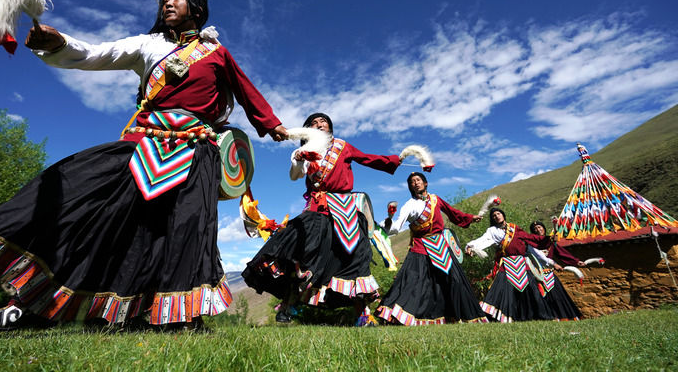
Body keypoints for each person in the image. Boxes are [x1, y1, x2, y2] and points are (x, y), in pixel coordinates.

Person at [0, 0, 289, 330]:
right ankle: (34, 304)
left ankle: (178, 318)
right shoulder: (148, 45)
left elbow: (245, 89)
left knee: (186, 231)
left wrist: (273, 124)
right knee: (91, 209)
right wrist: (60, 44)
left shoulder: (216, 52)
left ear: (196, 9)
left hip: (197, 150)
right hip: (145, 143)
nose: (167, 3)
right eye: (164, 1)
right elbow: (98, 53)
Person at [241, 112, 400, 325]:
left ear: (330, 127)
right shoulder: (303, 150)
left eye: (323, 121)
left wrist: (394, 161)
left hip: (347, 209)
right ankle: (290, 302)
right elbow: (295, 176)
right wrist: (299, 161)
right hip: (319, 207)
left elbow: (367, 158)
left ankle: (363, 315)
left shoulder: (343, 146)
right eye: (314, 123)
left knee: (355, 258)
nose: (319, 124)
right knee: (300, 248)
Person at [375, 172, 487, 325]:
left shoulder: (435, 199)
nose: (415, 183)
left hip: (441, 245)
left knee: (454, 280)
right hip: (420, 246)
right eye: (412, 182)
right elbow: (396, 227)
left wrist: (470, 218)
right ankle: (398, 315)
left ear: (425, 183)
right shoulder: (409, 205)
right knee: (413, 280)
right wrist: (388, 221)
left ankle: (458, 316)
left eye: (418, 180)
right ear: (410, 187)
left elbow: (453, 213)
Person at [465, 207, 578, 322]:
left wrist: (548, 239)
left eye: (498, 213)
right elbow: (483, 240)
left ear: (503, 215)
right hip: (507, 263)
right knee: (501, 289)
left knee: (532, 289)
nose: (497, 216)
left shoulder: (514, 228)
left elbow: (530, 237)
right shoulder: (492, 231)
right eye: (494, 216)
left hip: (522, 262)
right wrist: (471, 247)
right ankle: (490, 315)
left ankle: (540, 316)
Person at [527, 220, 584, 321]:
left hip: (549, 273)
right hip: (537, 275)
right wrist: (554, 264)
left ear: (544, 228)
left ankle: (566, 316)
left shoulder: (550, 242)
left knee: (558, 295)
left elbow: (562, 253)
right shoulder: (531, 244)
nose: (538, 230)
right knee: (542, 296)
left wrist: (576, 261)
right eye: (535, 229)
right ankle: (550, 317)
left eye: (539, 227)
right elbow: (539, 257)